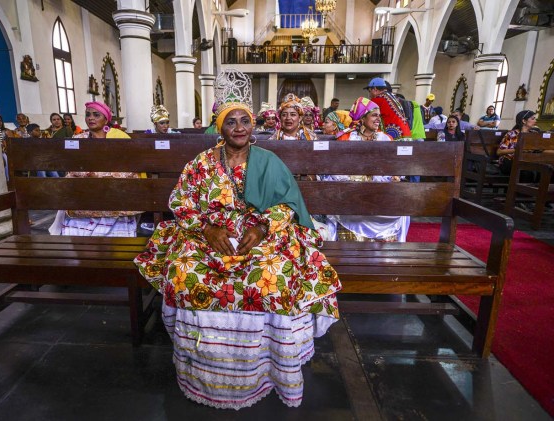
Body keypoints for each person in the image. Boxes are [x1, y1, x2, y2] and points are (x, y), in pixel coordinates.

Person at [134, 69, 342, 410]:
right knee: (186, 275)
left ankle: (265, 369)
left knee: (273, 279)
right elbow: (180, 202)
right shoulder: (201, 164)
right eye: (232, 122)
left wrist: (261, 229)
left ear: (254, 124)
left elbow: (289, 205)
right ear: (221, 127)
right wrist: (207, 229)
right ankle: (205, 371)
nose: (240, 127)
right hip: (208, 234)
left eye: (245, 120)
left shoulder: (269, 161)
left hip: (260, 233)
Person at [49, 101, 142, 237]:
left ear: (106, 119)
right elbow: (72, 166)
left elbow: (128, 168)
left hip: (113, 191)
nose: (91, 118)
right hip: (85, 192)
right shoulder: (78, 139)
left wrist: (98, 176)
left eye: (96, 115)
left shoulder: (119, 137)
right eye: (88, 115)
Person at [326, 97, 410, 242]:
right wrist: (355, 181)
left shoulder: (385, 139)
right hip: (351, 192)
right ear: (362, 118)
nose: (378, 119)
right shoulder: (346, 138)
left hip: (379, 193)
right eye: (374, 115)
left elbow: (395, 168)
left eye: (379, 116)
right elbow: (335, 168)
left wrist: (390, 177)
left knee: (402, 210)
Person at [497, 110, 539, 175]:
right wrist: (519, 150)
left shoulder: (534, 134)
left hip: (526, 160)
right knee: (527, 172)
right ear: (524, 121)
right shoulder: (512, 134)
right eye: (533, 119)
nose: (535, 121)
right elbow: (499, 151)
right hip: (509, 161)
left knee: (544, 169)